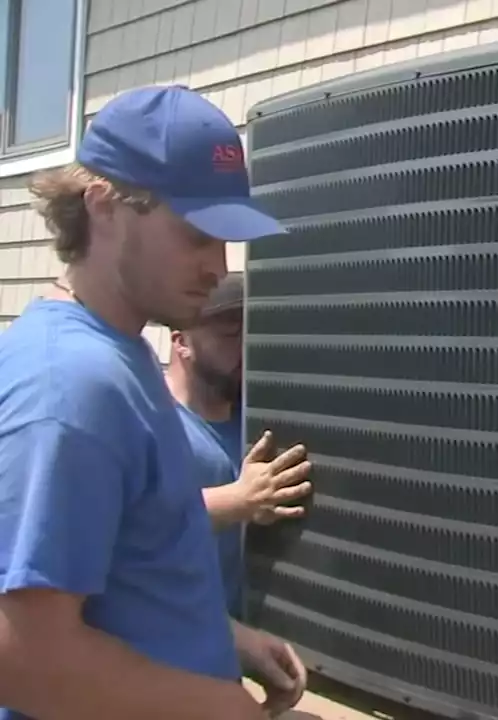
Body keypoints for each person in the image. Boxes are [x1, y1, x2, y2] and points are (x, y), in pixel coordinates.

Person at [0, 85, 305, 719]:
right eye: (196, 234)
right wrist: (224, 709)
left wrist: (232, 641)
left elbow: (134, 574)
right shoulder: (72, 385)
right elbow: (23, 656)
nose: (218, 267)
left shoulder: (124, 356)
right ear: (103, 205)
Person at [165, 272, 313, 619]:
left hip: (239, 639)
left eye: (253, 333)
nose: (245, 347)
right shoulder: (153, 422)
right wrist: (239, 500)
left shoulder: (255, 422)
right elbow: (139, 524)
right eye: (231, 332)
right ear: (181, 340)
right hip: (166, 643)